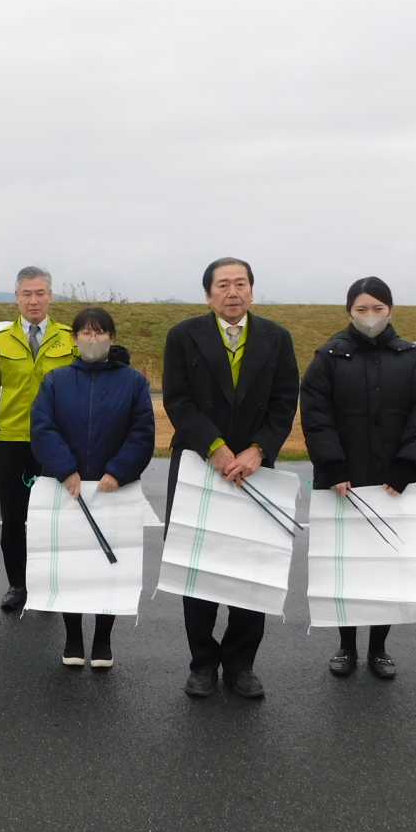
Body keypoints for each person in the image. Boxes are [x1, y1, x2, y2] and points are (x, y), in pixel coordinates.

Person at [162, 258, 300, 699]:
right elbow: (178, 400)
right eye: (223, 285)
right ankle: (202, 662)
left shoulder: (277, 339)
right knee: (198, 565)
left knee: (250, 566)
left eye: (241, 284)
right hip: (201, 465)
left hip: (256, 467)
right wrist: (215, 448)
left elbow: (284, 401)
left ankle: (241, 664)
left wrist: (259, 449)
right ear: (208, 295)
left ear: (252, 291)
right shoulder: (184, 336)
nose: (232, 292)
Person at [300, 276, 416, 680]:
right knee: (347, 565)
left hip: (393, 482)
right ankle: (346, 645)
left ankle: (379, 647)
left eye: (377, 309)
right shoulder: (328, 357)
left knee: (385, 565)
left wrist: (407, 466)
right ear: (349, 311)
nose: (369, 317)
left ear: (390, 310)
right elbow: (315, 413)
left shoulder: (413, 358)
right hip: (345, 481)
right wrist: (332, 466)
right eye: (361, 309)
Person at [29, 306, 156, 668]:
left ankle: (102, 640)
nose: (92, 339)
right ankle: (72, 637)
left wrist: (119, 470)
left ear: (112, 338)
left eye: (100, 333)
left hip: (111, 489)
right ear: (74, 339)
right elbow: (41, 426)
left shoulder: (133, 382)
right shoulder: (56, 380)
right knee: (71, 564)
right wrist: (64, 468)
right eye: (85, 333)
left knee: (108, 564)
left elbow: (142, 431)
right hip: (67, 488)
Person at [0, 267, 76, 612]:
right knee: (14, 516)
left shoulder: (69, 338)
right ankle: (17, 585)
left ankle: (51, 582)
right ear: (17, 297)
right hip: (13, 441)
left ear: (51, 296)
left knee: (55, 517)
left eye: (40, 293)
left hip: (58, 442)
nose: (33, 300)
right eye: (26, 293)